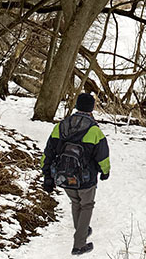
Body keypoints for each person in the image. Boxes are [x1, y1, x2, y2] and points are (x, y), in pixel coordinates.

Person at [40, 93, 110, 256]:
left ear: (77, 106)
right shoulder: (94, 130)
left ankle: (82, 229)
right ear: (91, 108)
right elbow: (103, 155)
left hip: (63, 176)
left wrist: (47, 175)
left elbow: (48, 152)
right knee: (86, 205)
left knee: (75, 202)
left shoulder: (61, 126)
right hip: (86, 179)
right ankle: (79, 244)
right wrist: (105, 171)